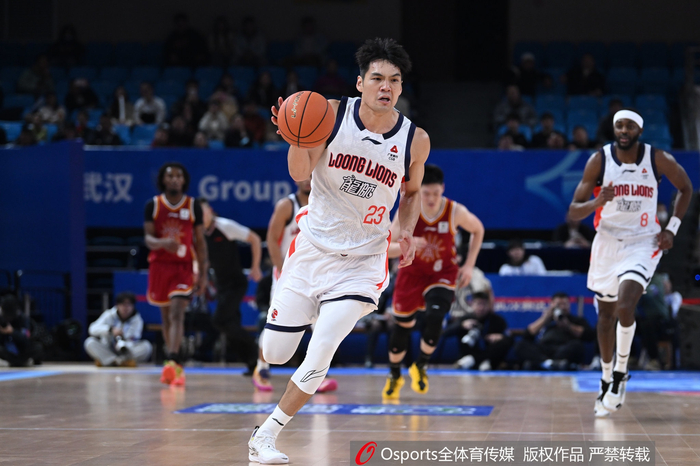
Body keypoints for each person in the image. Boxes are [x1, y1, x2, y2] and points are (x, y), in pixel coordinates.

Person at [247, 38, 429, 464]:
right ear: (360, 83)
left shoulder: (415, 139)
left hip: (364, 262)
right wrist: (295, 136)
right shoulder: (329, 113)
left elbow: (413, 192)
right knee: (275, 353)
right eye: (377, 78)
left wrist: (406, 230)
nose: (386, 87)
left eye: (394, 80)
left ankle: (265, 435)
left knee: (323, 347)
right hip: (312, 250)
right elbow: (299, 173)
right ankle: (305, 313)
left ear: (401, 87)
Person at [568, 108, 693, 417]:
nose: (623, 130)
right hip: (607, 242)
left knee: (626, 306)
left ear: (639, 130)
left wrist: (671, 228)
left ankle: (621, 374)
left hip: (643, 240)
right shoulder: (598, 161)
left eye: (629, 126)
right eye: (619, 126)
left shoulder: (657, 158)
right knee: (606, 317)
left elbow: (686, 188)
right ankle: (605, 378)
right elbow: (573, 212)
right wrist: (598, 201)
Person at [382, 164, 484, 400]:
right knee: (402, 327)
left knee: (436, 315)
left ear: (443, 189)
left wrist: (469, 265)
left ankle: (421, 364)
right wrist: (407, 245)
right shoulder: (407, 209)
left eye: (436, 193)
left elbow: (478, 229)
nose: (431, 199)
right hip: (411, 273)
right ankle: (395, 373)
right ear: (419, 191)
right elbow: (386, 245)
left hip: (442, 273)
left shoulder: (454, 210)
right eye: (426, 193)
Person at [144, 162, 209, 386]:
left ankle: (172, 360)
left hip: (183, 267)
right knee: (166, 318)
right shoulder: (153, 205)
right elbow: (148, 238)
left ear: (184, 180)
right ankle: (174, 365)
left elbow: (200, 241)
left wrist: (203, 273)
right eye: (170, 176)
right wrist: (163, 243)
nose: (174, 179)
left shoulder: (192, 205)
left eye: (178, 176)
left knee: (177, 312)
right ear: (163, 180)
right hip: (160, 265)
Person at [252, 178, 311, 391]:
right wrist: (282, 270)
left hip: (313, 274)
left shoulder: (324, 201)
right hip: (288, 273)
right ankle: (261, 368)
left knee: (320, 324)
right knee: (274, 321)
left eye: (313, 175)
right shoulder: (287, 205)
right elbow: (272, 239)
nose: (309, 180)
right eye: (305, 175)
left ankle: (314, 374)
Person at [199, 198, 262, 374]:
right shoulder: (199, 233)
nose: (201, 216)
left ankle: (256, 349)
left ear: (210, 211)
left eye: (203, 211)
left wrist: (255, 267)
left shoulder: (224, 226)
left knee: (219, 320)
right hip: (221, 285)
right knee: (230, 326)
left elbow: (255, 239)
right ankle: (253, 363)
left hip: (236, 283)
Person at [513, 292, 595, 371]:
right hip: (544, 349)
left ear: (569, 305)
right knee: (520, 345)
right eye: (558, 304)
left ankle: (542, 364)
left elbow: (589, 336)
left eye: (564, 304)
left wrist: (568, 326)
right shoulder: (547, 320)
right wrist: (544, 319)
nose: (562, 307)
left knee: (577, 346)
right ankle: (549, 363)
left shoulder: (577, 320)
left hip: (563, 350)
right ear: (552, 305)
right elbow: (527, 335)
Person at [446, 291, 513, 371]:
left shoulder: (498, 320)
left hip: (489, 359)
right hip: (468, 355)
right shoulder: (465, 318)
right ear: (472, 304)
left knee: (504, 342)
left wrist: (500, 337)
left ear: (489, 305)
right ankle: (478, 360)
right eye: (478, 304)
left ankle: (474, 359)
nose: (481, 308)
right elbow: (445, 333)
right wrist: (461, 325)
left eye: (484, 304)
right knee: (467, 338)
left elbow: (510, 338)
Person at [84, 291, 152, 367]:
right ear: (117, 305)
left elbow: (135, 338)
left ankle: (111, 361)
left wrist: (123, 340)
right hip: (108, 347)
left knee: (147, 346)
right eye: (123, 304)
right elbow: (92, 329)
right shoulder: (109, 314)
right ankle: (117, 361)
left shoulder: (137, 320)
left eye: (129, 305)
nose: (126, 308)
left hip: (126, 350)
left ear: (133, 306)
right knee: (89, 342)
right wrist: (110, 330)